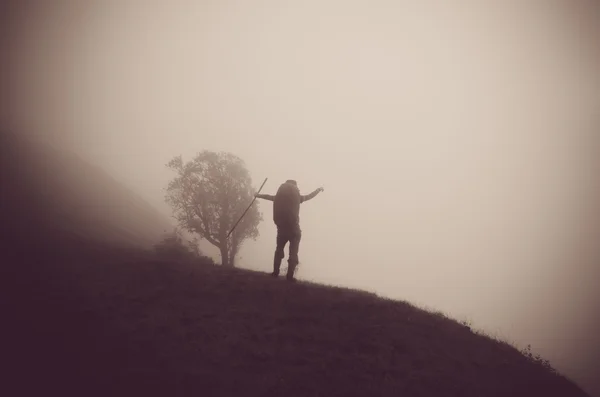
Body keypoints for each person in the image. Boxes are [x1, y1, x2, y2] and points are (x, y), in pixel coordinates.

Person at [255, 180, 324, 281]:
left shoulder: (279, 198)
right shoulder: (298, 198)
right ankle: (289, 276)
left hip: (281, 228)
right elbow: (309, 196)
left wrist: (258, 195)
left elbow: (269, 197)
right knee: (293, 253)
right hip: (294, 230)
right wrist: (318, 190)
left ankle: (275, 273)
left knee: (279, 250)